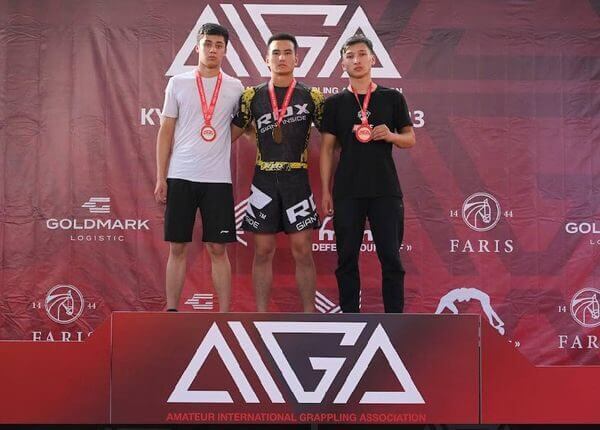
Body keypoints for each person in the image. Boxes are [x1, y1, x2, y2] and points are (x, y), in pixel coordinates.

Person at [320, 35, 416, 313]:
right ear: (343, 64)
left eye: (362, 54)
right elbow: (327, 149)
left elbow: (410, 139)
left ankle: (394, 319)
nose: (357, 60)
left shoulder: (392, 98)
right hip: (347, 191)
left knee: (391, 258)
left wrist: (391, 135)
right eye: (350, 56)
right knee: (346, 259)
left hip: (385, 189)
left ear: (373, 59)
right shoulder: (334, 103)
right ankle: (350, 319)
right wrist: (325, 191)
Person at [231, 33, 324, 312]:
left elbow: (332, 139)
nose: (281, 58)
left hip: (297, 179)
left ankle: (309, 316)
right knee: (262, 251)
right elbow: (231, 133)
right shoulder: (251, 96)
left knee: (303, 250)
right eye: (275, 53)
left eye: (287, 53)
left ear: (297, 59)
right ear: (266, 59)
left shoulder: (313, 96)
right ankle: (261, 315)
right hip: (264, 180)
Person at [154, 23, 244, 312]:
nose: (213, 50)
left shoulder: (235, 87)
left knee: (218, 248)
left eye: (219, 45)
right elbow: (165, 131)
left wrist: (219, 140)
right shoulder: (178, 83)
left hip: (218, 180)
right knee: (177, 246)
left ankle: (224, 314)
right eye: (208, 44)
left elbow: (239, 127)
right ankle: (171, 310)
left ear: (226, 50)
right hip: (180, 175)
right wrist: (161, 177)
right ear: (197, 47)